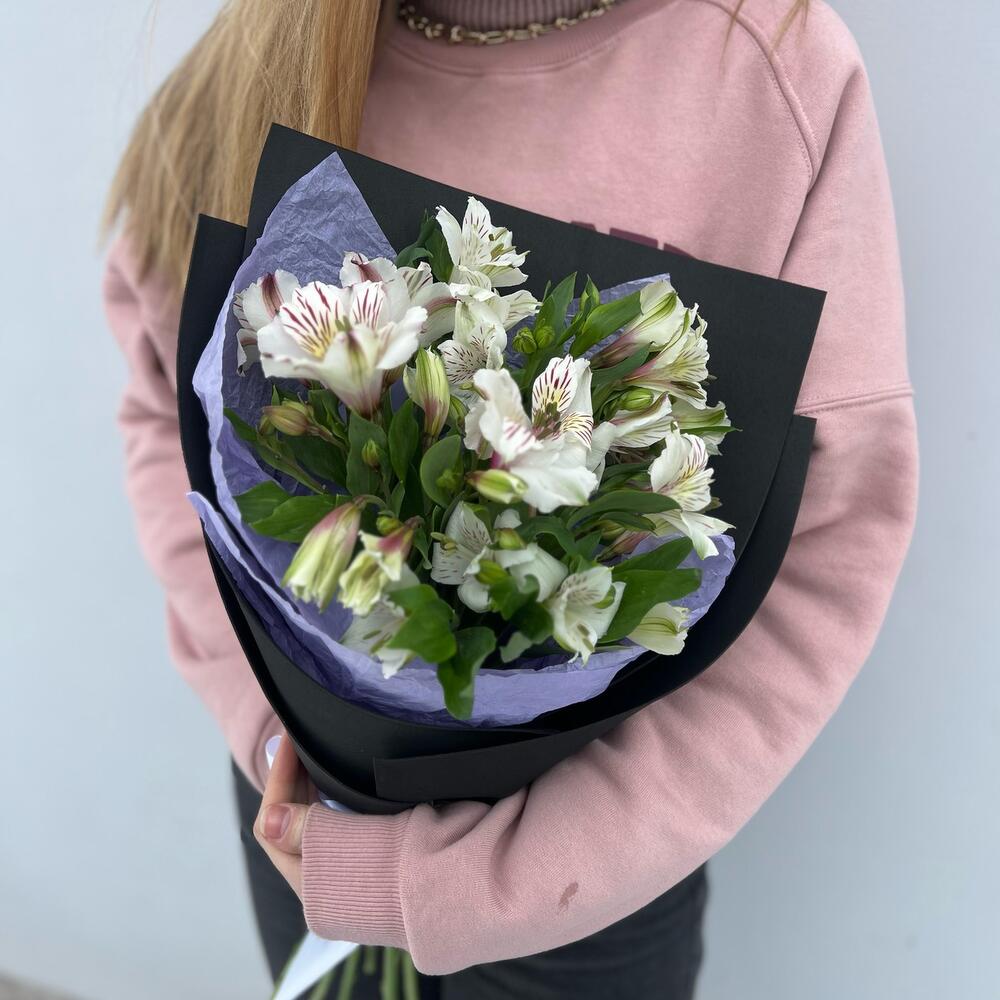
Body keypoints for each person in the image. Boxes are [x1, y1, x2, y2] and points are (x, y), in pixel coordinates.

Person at [103, 1, 917, 997]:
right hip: (305, 824)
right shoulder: (276, 42)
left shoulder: (766, 71)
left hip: (591, 887)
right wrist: (277, 736)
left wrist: (474, 882)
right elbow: (168, 410)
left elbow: (821, 556)